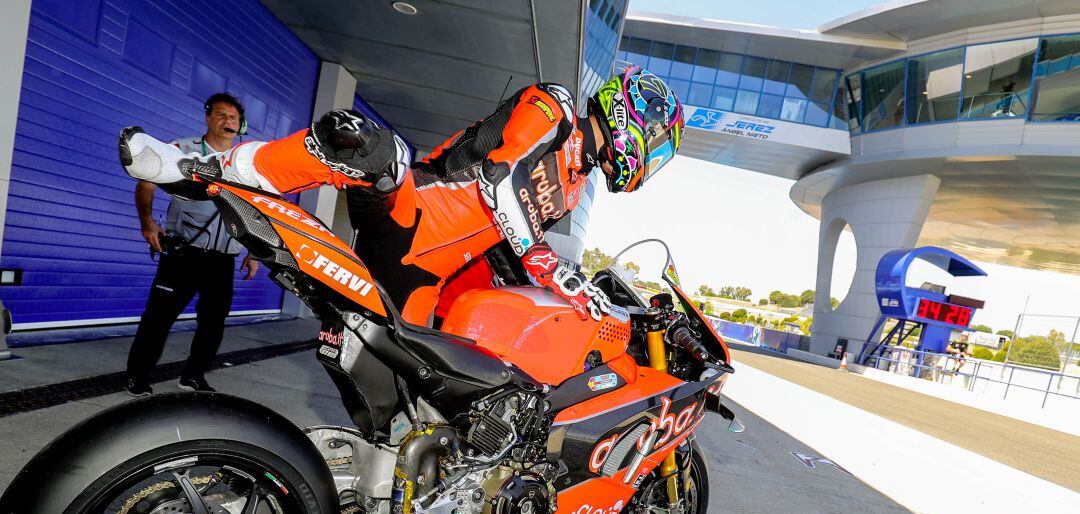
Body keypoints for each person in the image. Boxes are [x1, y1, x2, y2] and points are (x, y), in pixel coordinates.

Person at [119, 67, 683, 328]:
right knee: (369, 145)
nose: (650, 161)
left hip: (423, 280)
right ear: (636, 115)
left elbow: (502, 251)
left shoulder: (577, 183)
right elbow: (500, 178)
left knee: (414, 416)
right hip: (409, 213)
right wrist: (554, 268)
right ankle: (201, 168)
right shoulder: (554, 108)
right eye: (657, 145)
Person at [124, 93, 259, 396]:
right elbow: (145, 184)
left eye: (234, 118)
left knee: (213, 323)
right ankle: (136, 375)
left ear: (241, 126)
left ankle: (194, 376)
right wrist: (147, 222)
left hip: (223, 259)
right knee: (158, 318)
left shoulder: (246, 163)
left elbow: (257, 209)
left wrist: (253, 253)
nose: (228, 121)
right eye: (222, 115)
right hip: (183, 253)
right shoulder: (180, 150)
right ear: (208, 117)